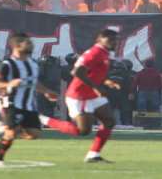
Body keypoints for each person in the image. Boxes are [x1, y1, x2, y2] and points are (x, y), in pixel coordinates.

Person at [39, 28, 120, 163]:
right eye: (110, 40)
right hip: (80, 95)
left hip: (92, 95)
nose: (114, 43)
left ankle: (93, 154)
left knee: (109, 121)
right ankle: (43, 120)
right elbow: (76, 72)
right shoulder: (94, 53)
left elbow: (94, 73)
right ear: (100, 40)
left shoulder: (103, 52)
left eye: (115, 40)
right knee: (82, 131)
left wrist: (106, 81)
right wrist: (96, 87)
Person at [0, 33, 60, 168]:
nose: (31, 44)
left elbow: (34, 83)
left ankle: (5, 126)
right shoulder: (8, 64)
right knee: (10, 134)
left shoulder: (33, 63)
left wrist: (47, 92)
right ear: (17, 45)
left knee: (34, 134)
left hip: (29, 105)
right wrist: (8, 84)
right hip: (11, 103)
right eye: (28, 42)